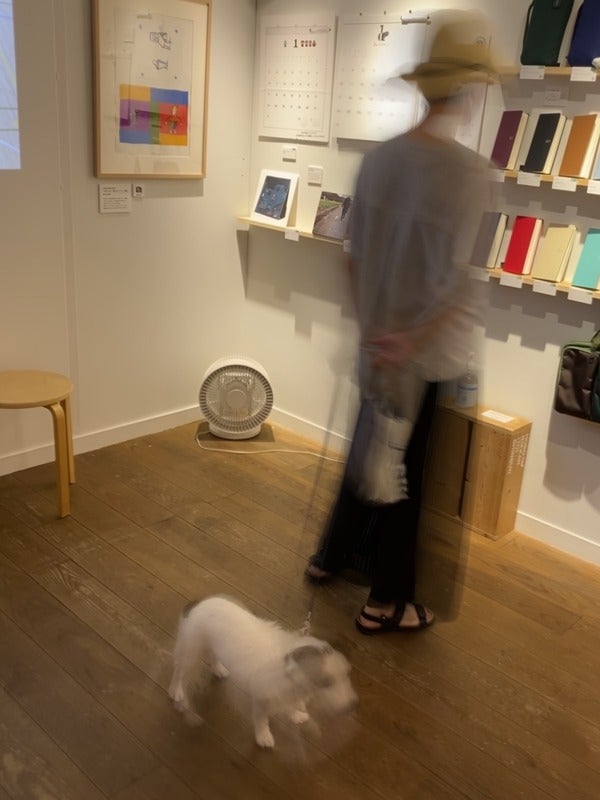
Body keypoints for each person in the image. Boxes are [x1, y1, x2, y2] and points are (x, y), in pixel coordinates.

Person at [305, 11, 495, 634]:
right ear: (464, 90)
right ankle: (386, 600)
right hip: (425, 352)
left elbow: (353, 257)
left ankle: (330, 557)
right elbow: (459, 282)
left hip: (378, 342)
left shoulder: (379, 160)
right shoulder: (470, 174)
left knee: (372, 448)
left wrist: (373, 332)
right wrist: (410, 340)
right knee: (405, 475)